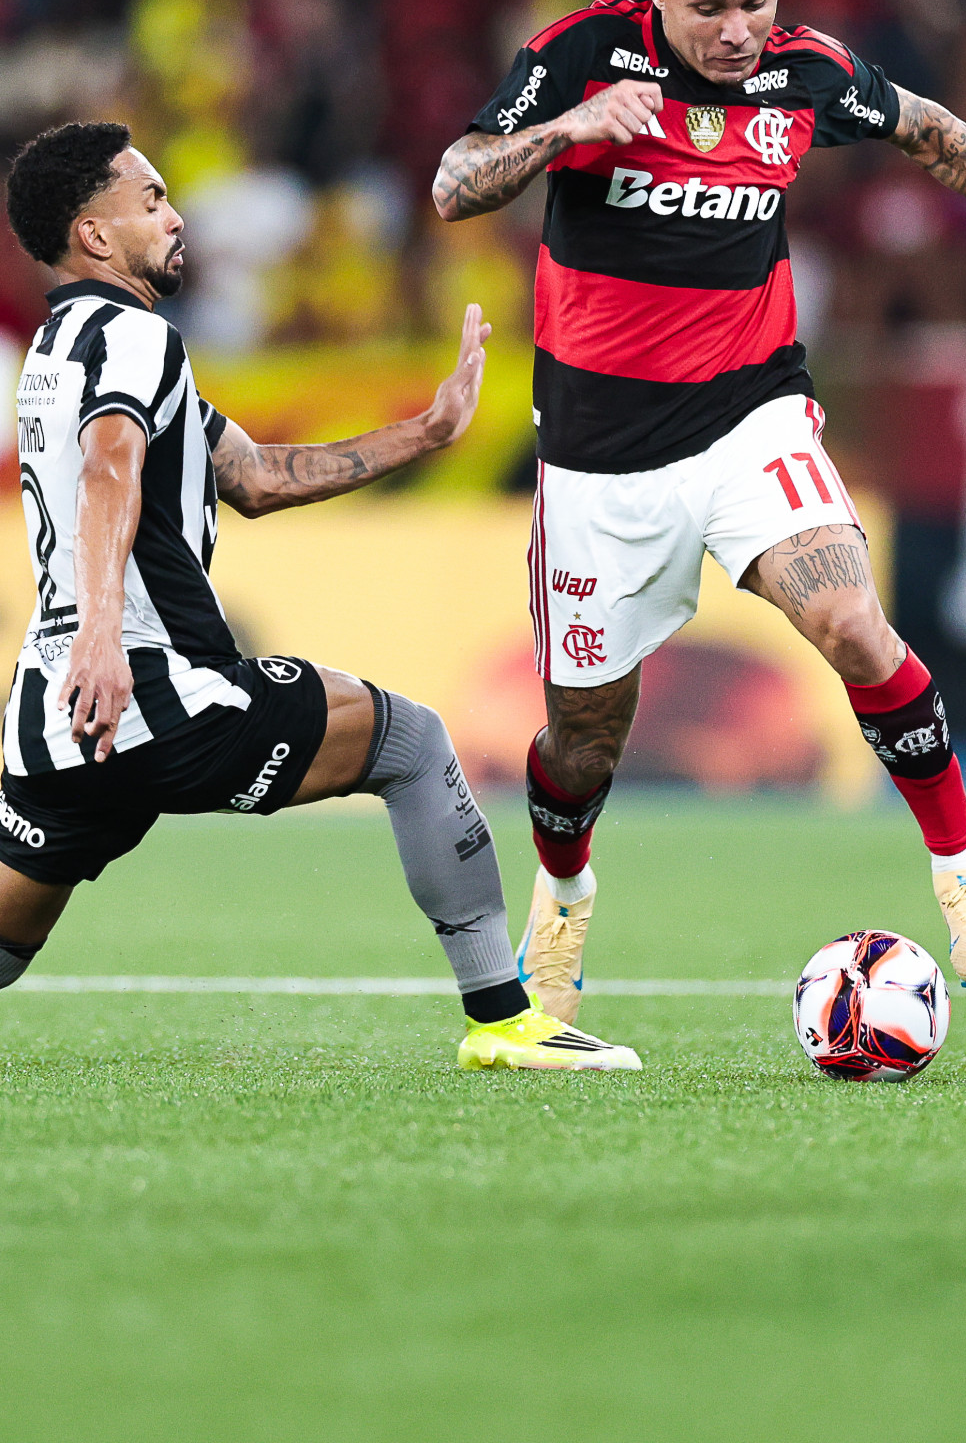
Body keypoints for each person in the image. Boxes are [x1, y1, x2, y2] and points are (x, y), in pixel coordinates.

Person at [434, 0, 966, 1025]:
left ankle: (964, 881)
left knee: (851, 622)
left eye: (756, 0)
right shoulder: (580, 55)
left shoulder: (802, 72)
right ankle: (562, 897)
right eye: (709, 6)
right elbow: (453, 183)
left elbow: (935, 134)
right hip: (600, 460)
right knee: (582, 738)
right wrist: (567, 131)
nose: (738, 29)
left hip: (748, 418)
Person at [0, 121, 640, 1073]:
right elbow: (107, 467)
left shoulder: (59, 347)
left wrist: (426, 432)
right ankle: (506, 1022)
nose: (176, 218)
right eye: (151, 201)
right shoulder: (133, 335)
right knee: (411, 743)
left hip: (51, 714)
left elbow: (256, 476)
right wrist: (104, 633)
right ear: (94, 234)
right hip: (144, 683)